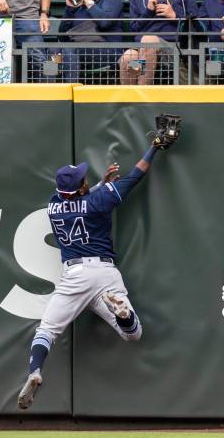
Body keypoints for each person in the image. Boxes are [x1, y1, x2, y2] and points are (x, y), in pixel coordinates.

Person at [17, 136, 172, 410]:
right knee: (133, 334)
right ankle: (123, 313)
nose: (85, 179)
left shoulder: (54, 206)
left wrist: (100, 185)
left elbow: (78, 199)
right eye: (82, 179)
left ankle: (35, 371)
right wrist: (154, 147)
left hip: (74, 277)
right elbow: (135, 176)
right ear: (80, 189)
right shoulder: (97, 201)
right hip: (104, 274)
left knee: (47, 330)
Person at [119, 0, 199, 85]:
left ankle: (143, 95)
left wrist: (174, 16)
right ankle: (131, 101)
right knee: (129, 57)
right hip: (144, 54)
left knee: (149, 40)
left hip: (174, 51)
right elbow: (134, 29)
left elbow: (197, 25)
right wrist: (149, 11)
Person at [59, 0, 123, 83]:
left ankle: (71, 91)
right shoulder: (77, 0)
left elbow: (105, 23)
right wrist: (70, 9)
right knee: (53, 54)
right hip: (79, 51)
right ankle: (53, 92)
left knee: (68, 51)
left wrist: (89, 2)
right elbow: (62, 35)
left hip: (106, 51)